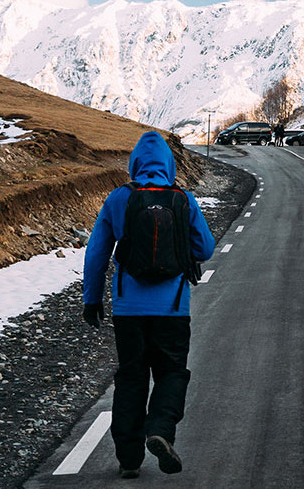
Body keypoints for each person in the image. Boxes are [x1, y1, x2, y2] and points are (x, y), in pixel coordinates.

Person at [83, 131, 216, 479]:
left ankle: (129, 459)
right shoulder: (183, 199)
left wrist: (91, 299)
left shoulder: (118, 199)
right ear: (170, 166)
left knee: (131, 377)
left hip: (128, 310)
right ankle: (159, 428)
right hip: (173, 309)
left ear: (135, 163)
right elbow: (205, 250)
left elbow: (96, 253)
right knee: (171, 372)